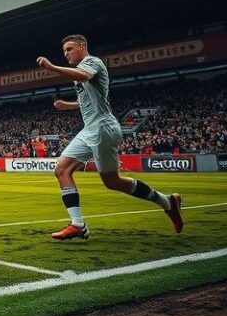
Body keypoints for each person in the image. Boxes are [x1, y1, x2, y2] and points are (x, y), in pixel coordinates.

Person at [36, 35, 182, 240]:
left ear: (82, 46)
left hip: (103, 127)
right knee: (61, 169)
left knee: (113, 182)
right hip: (89, 129)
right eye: (64, 51)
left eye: (69, 49)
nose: (66, 54)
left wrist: (52, 67)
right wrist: (67, 105)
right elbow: (85, 101)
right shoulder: (80, 72)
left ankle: (167, 202)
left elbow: (84, 75)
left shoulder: (92, 62)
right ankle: (78, 224)